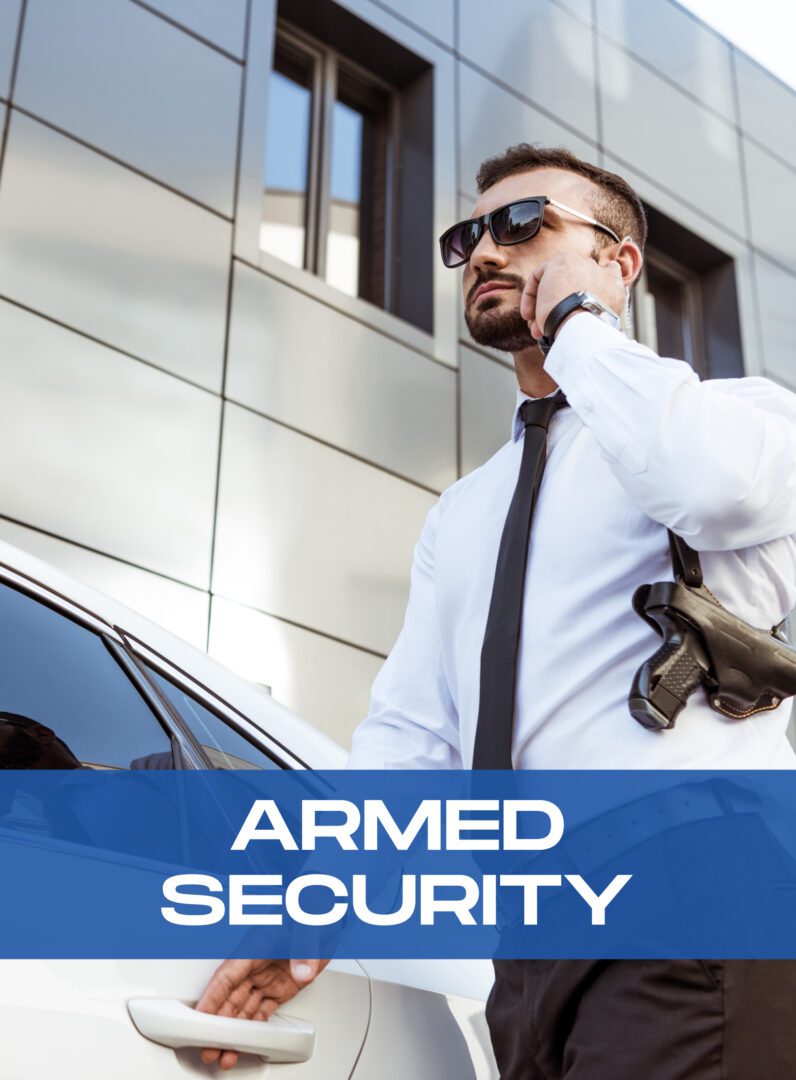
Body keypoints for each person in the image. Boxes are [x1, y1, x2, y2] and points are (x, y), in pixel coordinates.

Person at [196, 144, 796, 1075]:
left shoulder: (737, 419)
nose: (485, 250)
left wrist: (578, 323)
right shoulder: (465, 512)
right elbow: (412, 736)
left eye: (526, 225)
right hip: (528, 940)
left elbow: (706, 486)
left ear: (619, 261)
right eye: (469, 235)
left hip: (693, 882)